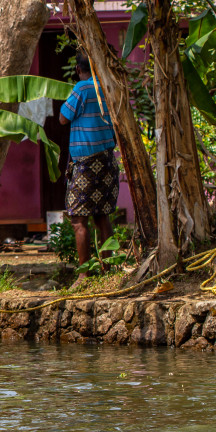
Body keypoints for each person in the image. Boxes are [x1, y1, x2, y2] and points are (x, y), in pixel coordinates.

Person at [59, 53, 118, 285]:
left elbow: (64, 118)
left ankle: (84, 274)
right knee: (102, 216)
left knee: (78, 219)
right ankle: (108, 270)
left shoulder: (82, 89)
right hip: (107, 159)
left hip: (86, 162)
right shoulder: (106, 86)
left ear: (77, 68)